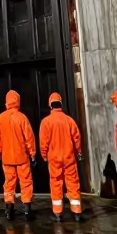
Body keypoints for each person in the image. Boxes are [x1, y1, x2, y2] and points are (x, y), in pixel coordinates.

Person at [39, 92, 83, 222]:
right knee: (73, 183)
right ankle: (77, 212)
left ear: (50, 105)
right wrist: (79, 152)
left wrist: (44, 156)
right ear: (61, 104)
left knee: (56, 184)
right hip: (69, 157)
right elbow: (77, 139)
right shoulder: (69, 120)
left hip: (54, 159)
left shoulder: (46, 122)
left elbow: (43, 142)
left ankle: (58, 213)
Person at [0, 90, 37, 220]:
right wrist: (33, 154)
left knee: (9, 183)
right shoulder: (22, 118)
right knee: (26, 183)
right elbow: (29, 138)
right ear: (17, 101)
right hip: (22, 157)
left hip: (7, 158)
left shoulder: (0, 118)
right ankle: (27, 209)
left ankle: (9, 209)